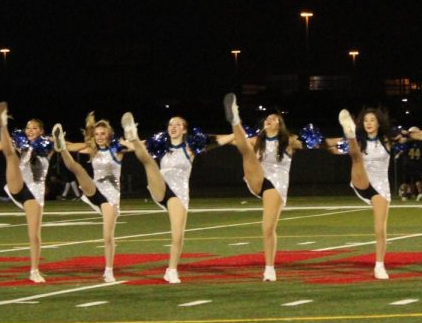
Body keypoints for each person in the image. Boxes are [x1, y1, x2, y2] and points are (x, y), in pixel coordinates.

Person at [214, 93, 319, 281]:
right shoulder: (257, 140)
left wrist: (343, 140)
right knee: (246, 149)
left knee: (267, 228)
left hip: (276, 185)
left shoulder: (289, 141)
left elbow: (317, 144)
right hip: (257, 179)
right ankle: (235, 119)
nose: (269, 120)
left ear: (280, 124)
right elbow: (224, 141)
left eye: (274, 119)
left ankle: (269, 268)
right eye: (267, 119)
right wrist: (194, 140)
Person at [120, 111, 207, 284]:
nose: (173, 127)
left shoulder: (190, 147)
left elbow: (218, 140)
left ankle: (171, 270)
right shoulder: (159, 145)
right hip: (160, 185)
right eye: (170, 124)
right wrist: (124, 141)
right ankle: (133, 134)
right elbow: (132, 147)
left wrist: (236, 133)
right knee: (149, 162)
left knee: (177, 235)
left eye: (177, 124)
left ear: (184, 130)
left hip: (178, 193)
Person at [52, 112, 125, 283]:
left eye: (103, 134)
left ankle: (108, 270)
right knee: (77, 168)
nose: (99, 137)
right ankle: (59, 146)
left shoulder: (118, 150)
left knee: (108, 236)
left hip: (111, 198)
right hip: (94, 190)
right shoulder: (92, 149)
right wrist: (59, 144)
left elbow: (139, 146)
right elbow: (73, 147)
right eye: (97, 134)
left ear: (109, 134)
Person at [0, 102, 54, 283]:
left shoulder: (48, 145)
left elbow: (69, 146)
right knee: (11, 155)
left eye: (34, 128)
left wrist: (59, 140)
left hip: (34, 193)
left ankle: (34, 270)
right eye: (28, 127)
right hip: (18, 185)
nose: (30, 130)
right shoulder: (21, 144)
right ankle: (2, 124)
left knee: (34, 233)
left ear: (41, 131)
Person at [334, 106, 397, 280]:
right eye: (366, 120)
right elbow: (332, 147)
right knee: (356, 157)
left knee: (380, 228)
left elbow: (410, 136)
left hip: (380, 188)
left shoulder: (387, 140)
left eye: (372, 120)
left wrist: (415, 132)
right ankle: (349, 133)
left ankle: (379, 265)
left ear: (379, 123)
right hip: (361, 180)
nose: (369, 123)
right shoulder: (361, 142)